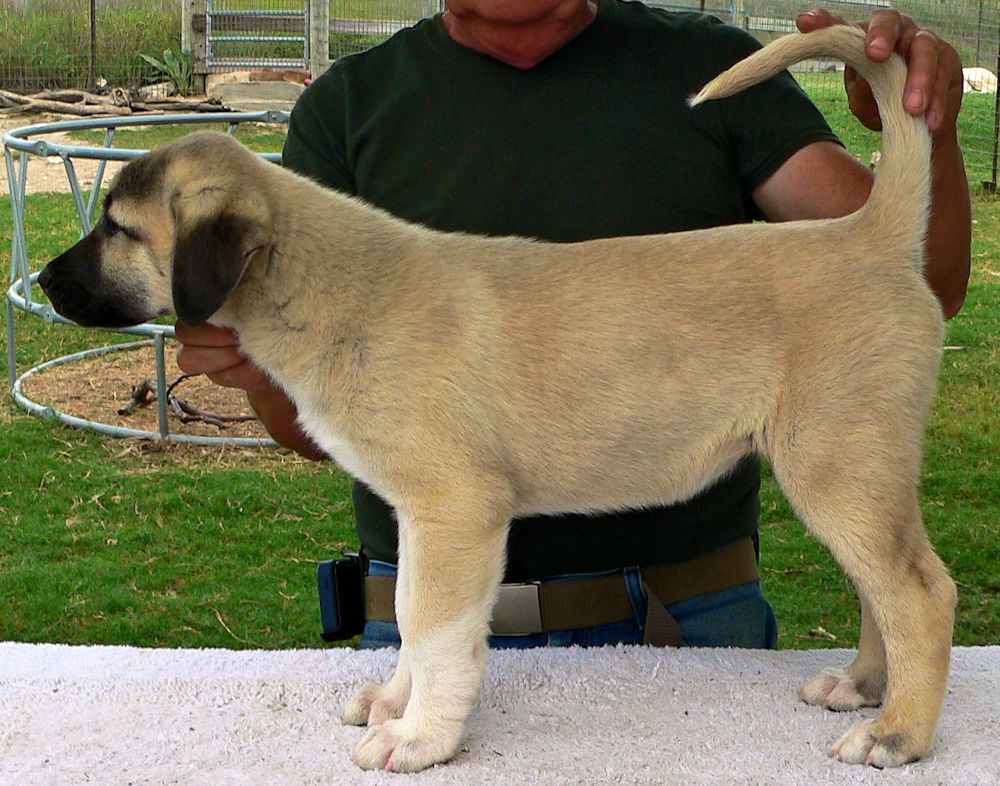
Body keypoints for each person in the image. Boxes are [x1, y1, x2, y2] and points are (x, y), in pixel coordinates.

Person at [174, 1, 970, 650]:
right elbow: (310, 429)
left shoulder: (706, 66)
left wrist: (921, 122)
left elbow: (909, 279)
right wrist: (260, 359)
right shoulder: (347, 108)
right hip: (417, 617)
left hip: (683, 619)